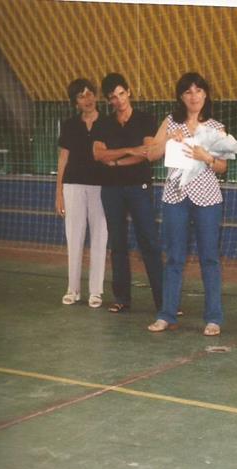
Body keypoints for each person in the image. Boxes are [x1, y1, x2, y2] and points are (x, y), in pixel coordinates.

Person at [147, 72, 227, 336]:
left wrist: (207, 157)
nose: (194, 97)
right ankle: (166, 315)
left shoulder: (216, 127)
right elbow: (151, 153)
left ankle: (213, 318)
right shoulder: (170, 122)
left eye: (198, 91)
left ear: (206, 94)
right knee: (174, 258)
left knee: (210, 258)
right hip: (175, 198)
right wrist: (168, 139)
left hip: (208, 199)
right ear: (181, 97)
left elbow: (223, 166)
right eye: (188, 92)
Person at [92, 72, 164, 315]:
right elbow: (98, 154)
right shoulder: (103, 123)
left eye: (122, 94)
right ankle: (122, 298)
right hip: (111, 190)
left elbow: (147, 152)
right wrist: (130, 149)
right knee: (118, 243)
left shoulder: (145, 119)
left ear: (129, 92)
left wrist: (116, 161)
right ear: (108, 100)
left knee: (149, 242)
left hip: (138, 188)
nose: (119, 100)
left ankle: (164, 302)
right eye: (113, 97)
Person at [55, 78, 108, 308]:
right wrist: (59, 192)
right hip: (73, 186)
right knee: (74, 237)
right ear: (75, 102)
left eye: (89, 94)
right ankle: (72, 289)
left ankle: (96, 291)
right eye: (81, 96)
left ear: (95, 96)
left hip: (101, 187)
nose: (87, 99)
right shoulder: (69, 125)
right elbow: (63, 158)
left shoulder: (108, 123)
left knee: (100, 238)